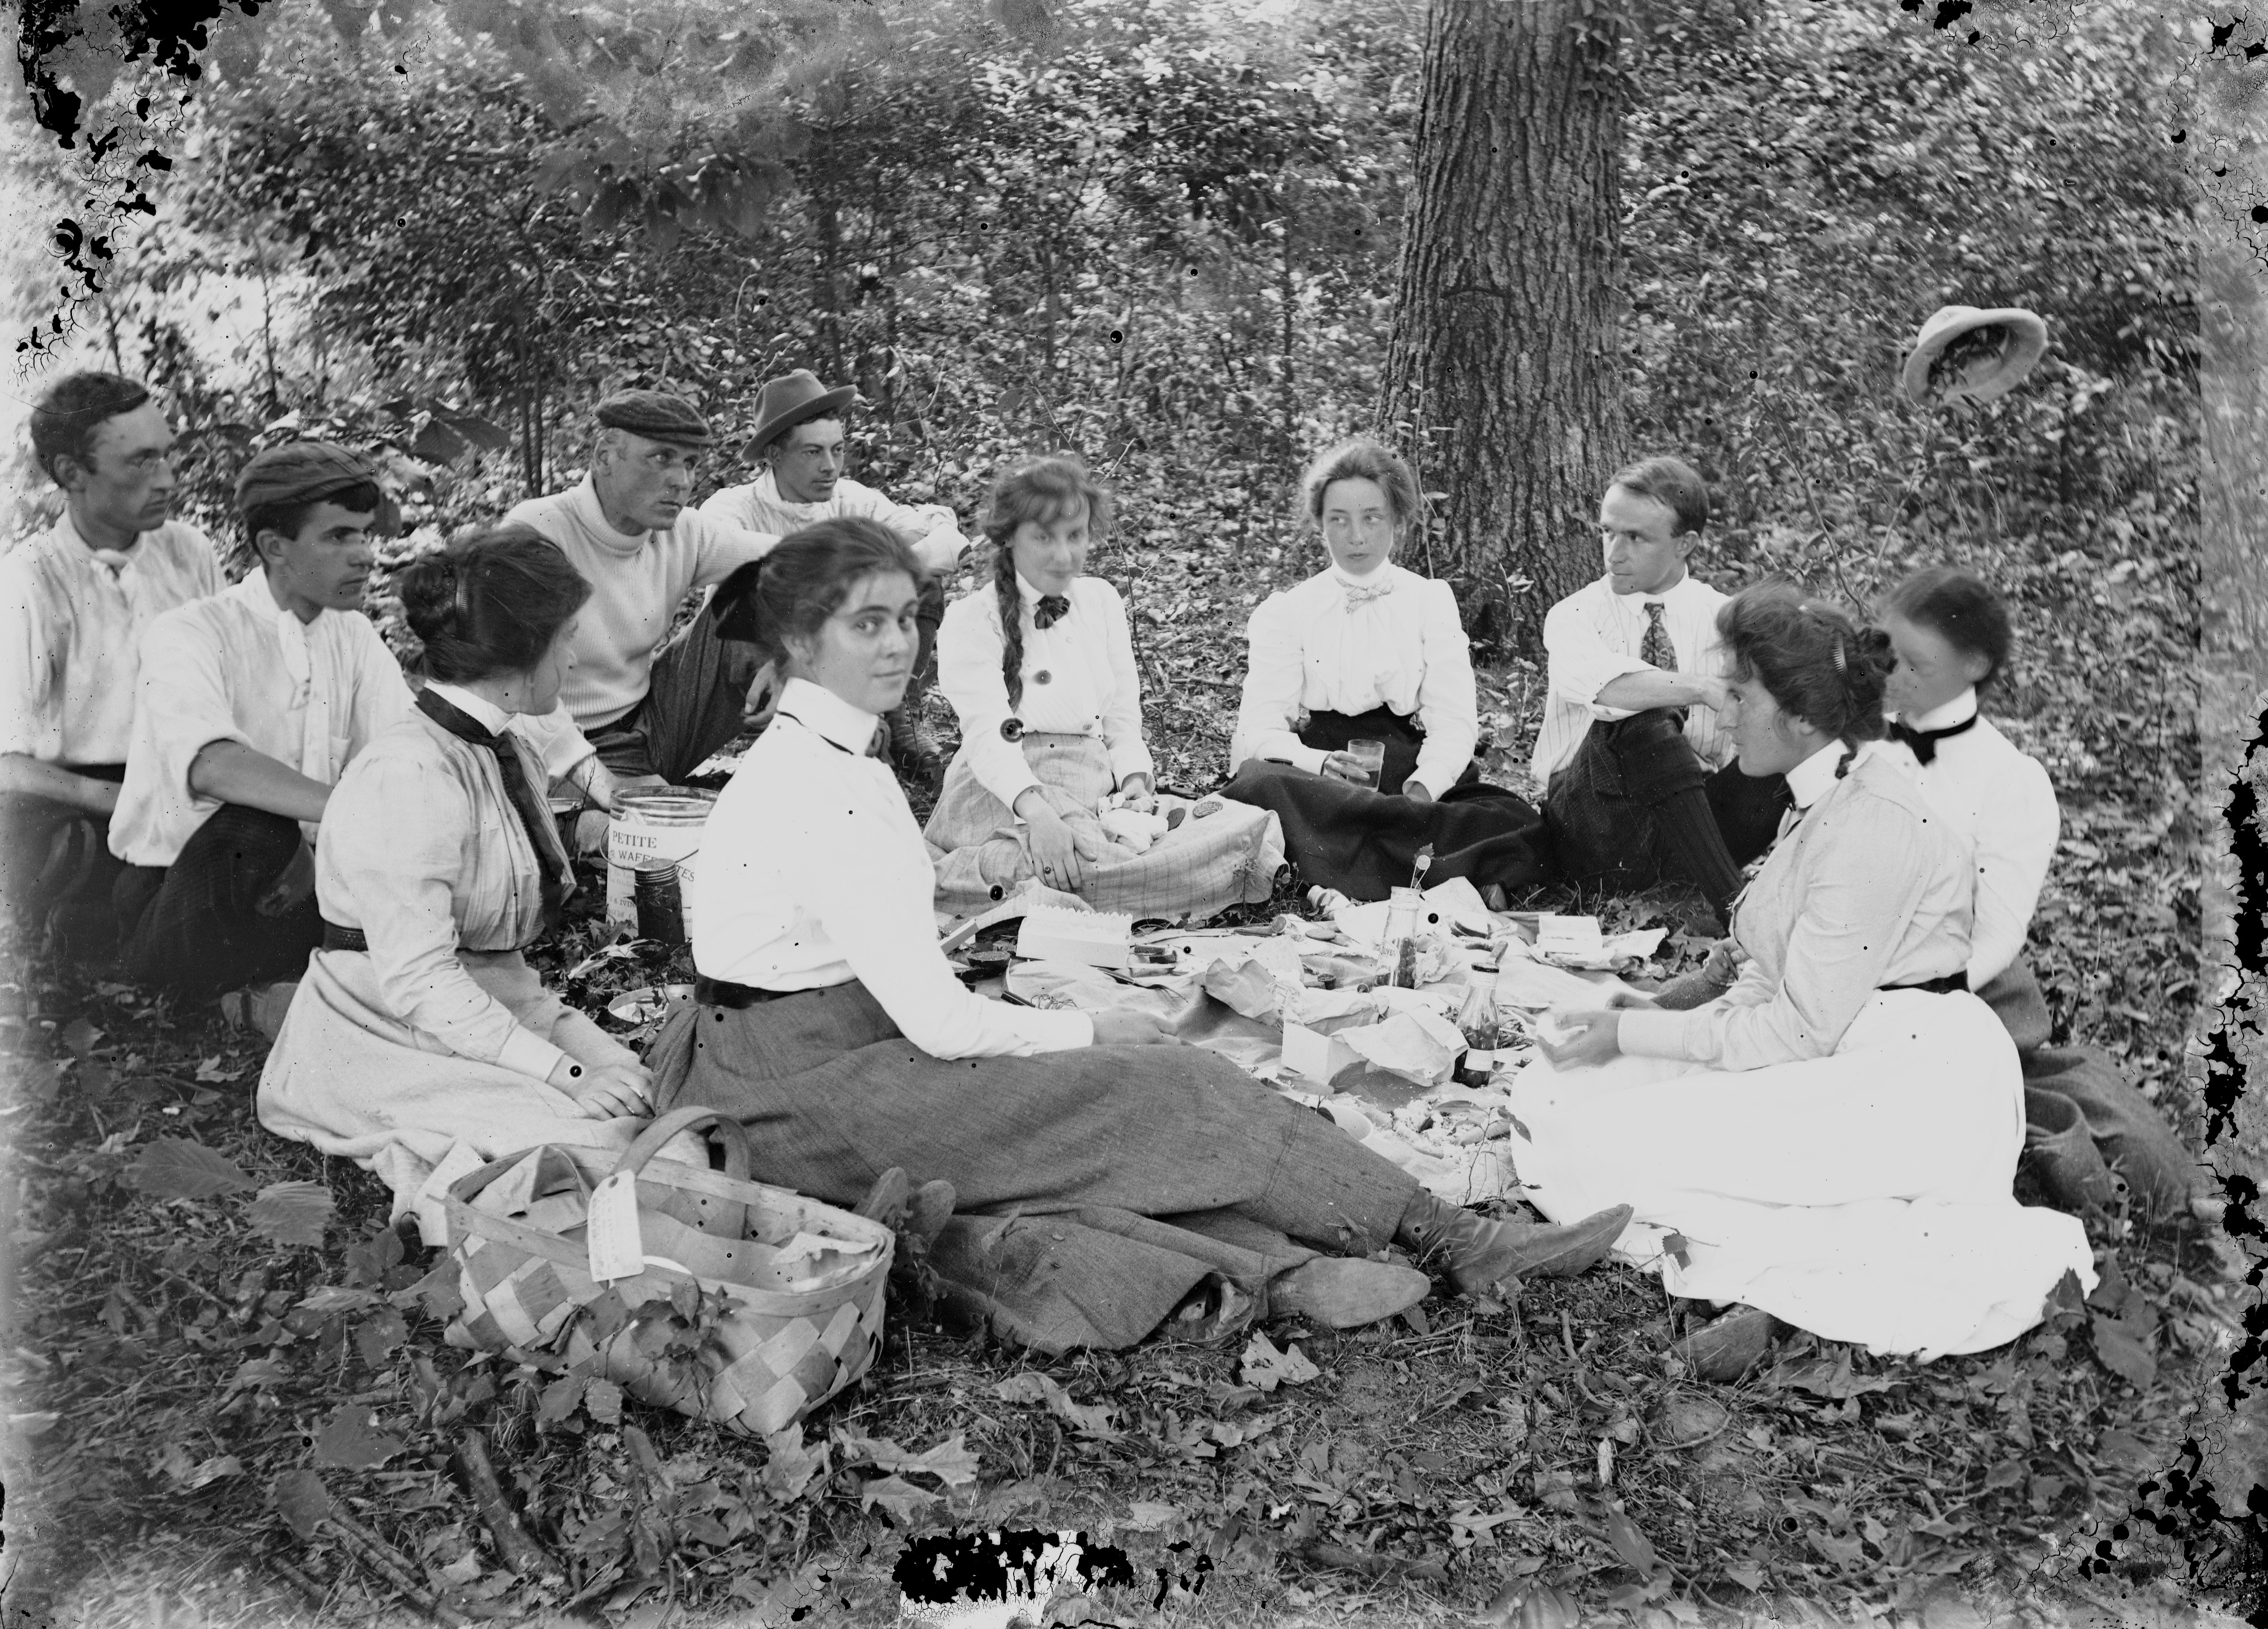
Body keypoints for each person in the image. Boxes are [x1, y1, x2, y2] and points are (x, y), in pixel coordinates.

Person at [646, 517, 1632, 1354]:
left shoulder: (834, 757)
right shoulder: (821, 787)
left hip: (797, 1056)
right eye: (867, 624)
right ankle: (1454, 1242)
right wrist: (1092, 1034)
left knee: (1076, 1138)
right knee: (1167, 1082)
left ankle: (1289, 1264)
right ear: (802, 643)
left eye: (906, 617)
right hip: (802, 1093)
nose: (899, 644)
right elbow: (943, 1028)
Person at [1506, 583, 2092, 1376]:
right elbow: (1769, 971)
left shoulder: (1874, 818)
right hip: (1839, 1038)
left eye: (1739, 695)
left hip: (1908, 1074)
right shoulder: (1823, 791)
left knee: (1605, 1142)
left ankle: (1779, 1299)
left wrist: (1634, 1032)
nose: (1722, 711)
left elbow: (1793, 1026)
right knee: (1561, 1094)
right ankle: (1762, 1280)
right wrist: (1647, 1014)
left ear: (1802, 718)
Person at [109, 442, 604, 1017]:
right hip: (186, 891)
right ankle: (229, 998)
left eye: (366, 535)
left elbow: (409, 751)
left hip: (303, 880)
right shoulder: (190, 632)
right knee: (258, 829)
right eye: (339, 536)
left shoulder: (352, 636)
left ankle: (284, 991)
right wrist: (338, 820)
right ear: (274, 547)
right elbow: (213, 764)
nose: (365, 556)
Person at [258, 527, 656, 1235]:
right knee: (592, 1141)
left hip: (500, 995)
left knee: (641, 1099)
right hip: (384, 1022)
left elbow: (527, 818)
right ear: (521, 654)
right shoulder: (410, 773)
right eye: (566, 638)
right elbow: (421, 982)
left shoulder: (503, 732)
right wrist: (567, 1076)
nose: (573, 655)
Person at [1880, 565, 2197, 1221]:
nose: (1893, 676)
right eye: (1886, 653)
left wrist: (1909, 990)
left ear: (1975, 665)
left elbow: (1996, 935)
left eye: (1916, 663)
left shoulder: (2008, 780)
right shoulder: (1862, 741)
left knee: (2050, 1107)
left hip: (1960, 985)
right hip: (1852, 958)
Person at [924, 455, 1284, 918]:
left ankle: (1043, 886)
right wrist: (1038, 816)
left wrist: (1134, 781)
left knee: (1243, 826)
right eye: (1043, 537)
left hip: (1094, 788)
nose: (1063, 555)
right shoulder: (973, 618)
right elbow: (988, 736)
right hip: (1008, 789)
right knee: (1085, 861)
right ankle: (972, 875)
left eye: (1074, 536)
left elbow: (1120, 716)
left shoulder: (1099, 599)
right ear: (1009, 535)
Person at [1220, 438, 1549, 901]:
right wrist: (1318, 763)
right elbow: (1257, 727)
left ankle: (1346, 862)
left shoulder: (1428, 600)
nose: (1356, 536)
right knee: (1257, 784)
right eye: (1339, 520)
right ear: (1320, 525)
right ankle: (1444, 871)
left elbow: (1454, 722)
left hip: (1403, 766)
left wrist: (1421, 789)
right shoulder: (1289, 610)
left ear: (1397, 519)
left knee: (1515, 817)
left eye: (1371, 518)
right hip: (1320, 776)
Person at [1, 373, 221, 954]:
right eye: (141, 463)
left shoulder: (187, 551)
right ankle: (108, 923)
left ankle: (123, 925)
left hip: (189, 779)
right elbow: (9, 765)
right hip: (85, 796)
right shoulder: (34, 575)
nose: (168, 480)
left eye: (167, 457)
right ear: (73, 473)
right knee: (68, 853)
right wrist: (123, 801)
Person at [1533, 456, 1792, 922]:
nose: (1614, 552)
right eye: (1608, 531)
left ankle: (1736, 894)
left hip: (1694, 825)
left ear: (1684, 544)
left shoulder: (1726, 618)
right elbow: (1609, 689)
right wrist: (1698, 688)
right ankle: (1734, 908)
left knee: (1795, 731)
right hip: (1594, 824)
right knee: (1643, 714)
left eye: (1636, 537)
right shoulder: (1573, 615)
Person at [699, 369, 968, 782]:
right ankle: (813, 736)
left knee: (918, 582)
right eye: (812, 453)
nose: (830, 467)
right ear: (773, 456)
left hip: (834, 652)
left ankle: (899, 715)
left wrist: (900, 563)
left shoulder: (849, 498)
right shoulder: (732, 508)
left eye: (837, 450)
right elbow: (738, 594)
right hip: (760, 658)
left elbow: (944, 535)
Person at [505, 390, 781, 785]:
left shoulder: (685, 531)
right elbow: (513, 683)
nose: (682, 480)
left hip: (651, 726)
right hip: (553, 749)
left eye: (689, 463)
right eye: (661, 458)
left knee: (759, 595)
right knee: (620, 836)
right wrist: (605, 785)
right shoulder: (540, 529)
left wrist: (789, 658)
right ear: (604, 457)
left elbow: (801, 560)